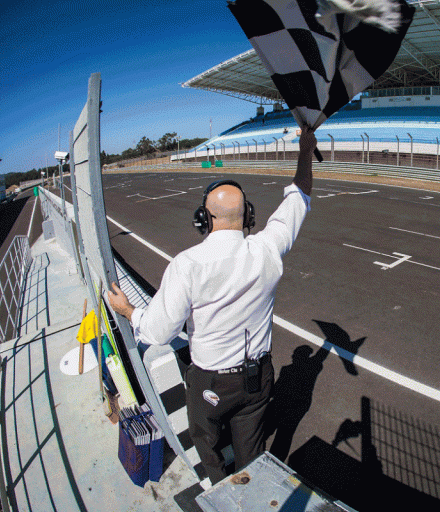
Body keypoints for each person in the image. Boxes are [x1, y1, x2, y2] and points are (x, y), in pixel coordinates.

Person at [108, 127, 318, 485]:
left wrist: (129, 312)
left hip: (210, 382)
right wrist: (304, 150)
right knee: (252, 456)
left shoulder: (187, 265)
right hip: (257, 379)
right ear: (248, 215)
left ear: (203, 220)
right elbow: (299, 196)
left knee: (211, 453)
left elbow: (158, 331)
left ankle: (221, 494)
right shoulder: (267, 249)